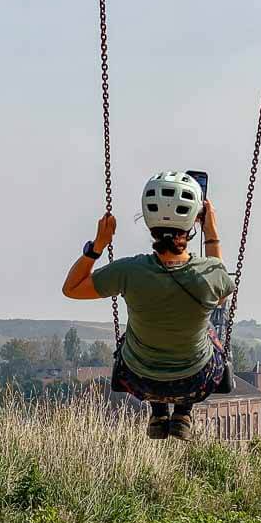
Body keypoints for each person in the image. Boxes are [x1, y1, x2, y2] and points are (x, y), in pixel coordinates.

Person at [62, 171, 235, 439]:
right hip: (196, 381)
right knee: (209, 330)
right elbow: (221, 295)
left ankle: (158, 412)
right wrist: (211, 233)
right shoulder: (209, 274)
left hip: (139, 381)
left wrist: (98, 245)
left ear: (148, 221)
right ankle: (182, 412)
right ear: (194, 222)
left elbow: (71, 289)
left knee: (137, 333)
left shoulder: (130, 272)